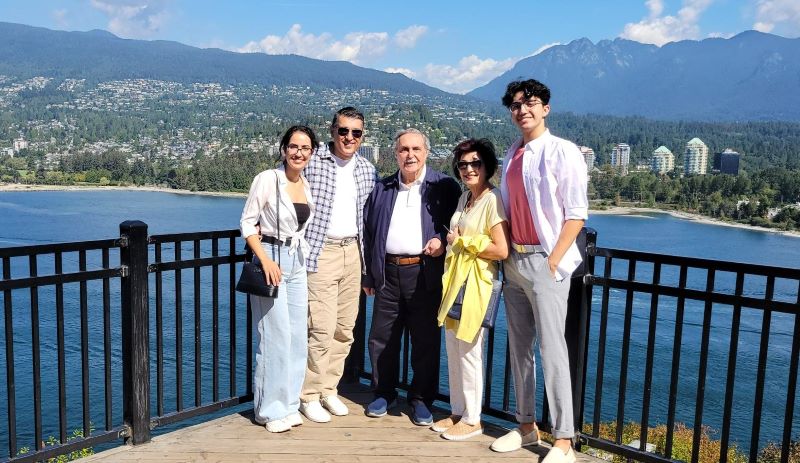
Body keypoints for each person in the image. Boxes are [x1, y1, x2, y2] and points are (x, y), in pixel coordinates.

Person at [491, 79, 588, 463]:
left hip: (545, 263)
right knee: (519, 350)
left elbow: (576, 214)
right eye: (515, 105)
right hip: (514, 261)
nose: (522, 110)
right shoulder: (512, 153)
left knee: (552, 349)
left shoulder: (563, 152)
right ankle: (526, 425)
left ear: (545, 108)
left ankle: (563, 438)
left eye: (529, 103)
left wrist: (552, 261)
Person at [362, 128, 460, 425]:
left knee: (425, 340)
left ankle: (420, 399)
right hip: (387, 273)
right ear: (396, 154)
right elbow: (369, 231)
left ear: (426, 152)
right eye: (404, 149)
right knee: (381, 338)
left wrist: (443, 242)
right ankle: (384, 393)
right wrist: (369, 274)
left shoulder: (444, 186)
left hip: (425, 273)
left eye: (416, 149)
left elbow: (460, 224)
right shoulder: (383, 188)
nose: (410, 155)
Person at [300, 107, 377, 423]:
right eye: (343, 131)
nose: (349, 137)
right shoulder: (312, 160)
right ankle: (308, 395)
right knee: (320, 328)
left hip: (353, 253)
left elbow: (371, 220)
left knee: (345, 329)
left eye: (356, 133)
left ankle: (329, 389)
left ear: (362, 136)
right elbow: (282, 186)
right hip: (321, 252)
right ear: (332, 131)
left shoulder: (366, 170)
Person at [239, 125, 317, 433]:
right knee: (274, 337)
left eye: (305, 148)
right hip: (271, 258)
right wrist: (265, 258)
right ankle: (268, 411)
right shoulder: (268, 179)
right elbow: (247, 224)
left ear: (311, 153)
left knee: (298, 336)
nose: (299, 152)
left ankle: (289, 404)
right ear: (283, 149)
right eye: (294, 146)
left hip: (296, 259)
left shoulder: (305, 184)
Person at [433, 138, 509, 441]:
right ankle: (457, 411)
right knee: (453, 348)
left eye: (475, 163)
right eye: (463, 164)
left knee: (470, 351)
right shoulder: (465, 197)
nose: (468, 169)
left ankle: (473, 418)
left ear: (487, 166)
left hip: (476, 284)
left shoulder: (493, 199)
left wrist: (462, 241)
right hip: (455, 281)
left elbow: (501, 249)